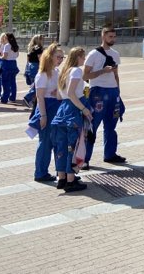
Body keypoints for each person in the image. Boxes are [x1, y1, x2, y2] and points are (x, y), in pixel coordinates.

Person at [51, 47, 92, 192]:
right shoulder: (76, 71)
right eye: (83, 57)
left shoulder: (63, 71)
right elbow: (71, 93)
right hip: (73, 111)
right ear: (77, 57)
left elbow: (59, 96)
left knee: (61, 146)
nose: (84, 59)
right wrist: (84, 108)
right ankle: (70, 180)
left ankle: (61, 178)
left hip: (62, 111)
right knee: (72, 147)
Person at [83, 27, 126, 168]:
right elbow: (85, 75)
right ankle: (84, 159)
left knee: (111, 125)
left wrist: (118, 91)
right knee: (92, 126)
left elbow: (116, 75)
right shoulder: (93, 54)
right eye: (110, 36)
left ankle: (110, 154)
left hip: (113, 92)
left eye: (114, 36)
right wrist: (102, 71)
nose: (113, 39)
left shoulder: (115, 54)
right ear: (103, 37)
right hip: (98, 92)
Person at [31, 43, 63, 182]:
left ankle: (61, 171)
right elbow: (40, 97)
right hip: (47, 108)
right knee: (45, 142)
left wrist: (60, 92)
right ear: (50, 57)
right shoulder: (43, 74)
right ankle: (40, 172)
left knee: (58, 141)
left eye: (62, 57)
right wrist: (43, 115)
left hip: (57, 107)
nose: (61, 60)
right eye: (58, 57)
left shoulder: (56, 72)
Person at [0, 32, 20, 104]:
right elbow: (17, 55)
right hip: (13, 63)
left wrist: (0, 57)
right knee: (12, 82)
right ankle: (12, 97)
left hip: (7, 64)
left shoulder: (7, 45)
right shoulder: (15, 46)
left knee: (5, 82)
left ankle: (4, 99)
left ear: (7, 38)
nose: (4, 39)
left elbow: (5, 57)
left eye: (5, 37)